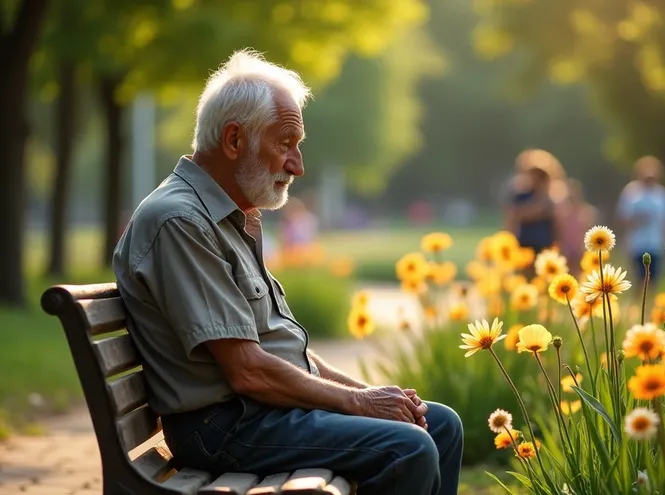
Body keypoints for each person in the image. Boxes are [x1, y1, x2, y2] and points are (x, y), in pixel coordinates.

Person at [111, 49, 463, 495]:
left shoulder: (225, 216)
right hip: (226, 427)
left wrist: (374, 396)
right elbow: (248, 371)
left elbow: (281, 353)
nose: (297, 165)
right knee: (408, 447)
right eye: (285, 144)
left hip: (259, 413)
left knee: (439, 425)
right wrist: (360, 402)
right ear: (234, 140)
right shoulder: (181, 221)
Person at [615, 156, 665, 282]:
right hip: (637, 244)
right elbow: (623, 218)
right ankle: (638, 301)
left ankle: (650, 301)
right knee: (639, 278)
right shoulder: (631, 192)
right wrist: (639, 219)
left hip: (656, 244)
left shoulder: (662, 194)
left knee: (653, 279)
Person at [504, 164, 557, 253]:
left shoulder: (551, 199)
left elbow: (556, 225)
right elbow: (513, 217)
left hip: (544, 245)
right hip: (524, 243)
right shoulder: (521, 197)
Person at [556, 178, 599, 271]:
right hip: (566, 252)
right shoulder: (562, 213)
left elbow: (591, 232)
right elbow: (558, 232)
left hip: (582, 251)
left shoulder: (587, 212)